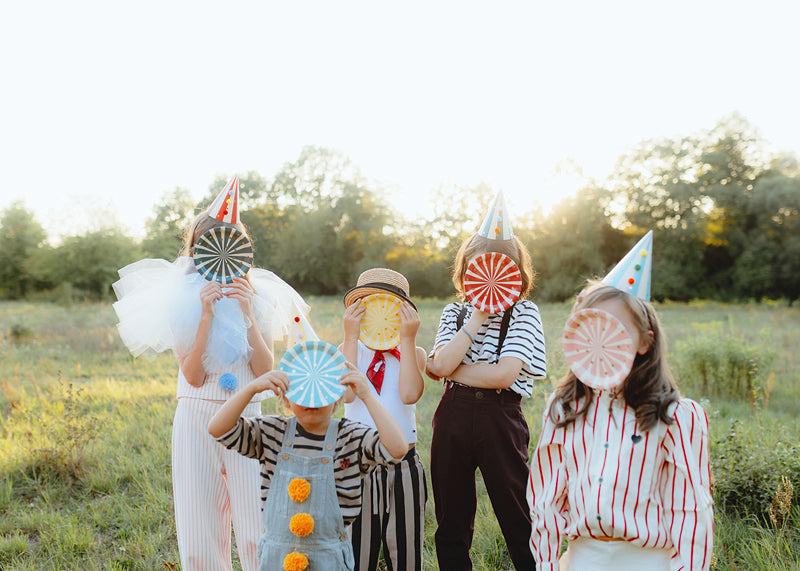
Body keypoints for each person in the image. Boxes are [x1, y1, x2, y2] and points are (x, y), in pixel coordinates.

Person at [113, 176, 307, 571]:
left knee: (257, 528)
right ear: (197, 250)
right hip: (196, 416)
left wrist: (248, 311)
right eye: (210, 243)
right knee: (200, 532)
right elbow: (194, 374)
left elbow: (264, 372)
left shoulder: (260, 296)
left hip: (249, 418)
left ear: (240, 248)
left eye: (229, 240)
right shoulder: (182, 298)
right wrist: (205, 315)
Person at [527, 232, 713, 571]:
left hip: (649, 561)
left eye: (615, 331)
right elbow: (546, 501)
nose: (601, 343)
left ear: (645, 341)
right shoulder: (562, 408)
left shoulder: (674, 416)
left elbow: (689, 511)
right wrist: (547, 565)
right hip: (583, 559)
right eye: (592, 329)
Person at [425, 191, 547, 571]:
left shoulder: (524, 312)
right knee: (451, 516)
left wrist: (449, 369)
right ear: (464, 272)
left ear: (514, 273)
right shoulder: (455, 312)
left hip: (501, 416)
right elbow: (441, 364)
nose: (486, 276)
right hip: (453, 416)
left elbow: (503, 374)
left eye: (497, 268)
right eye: (476, 269)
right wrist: (475, 318)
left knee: (516, 513)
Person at [207, 361, 409, 571]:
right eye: (303, 391)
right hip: (276, 560)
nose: (312, 400)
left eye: (321, 391)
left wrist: (367, 396)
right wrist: (251, 388)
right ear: (285, 397)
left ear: (337, 395)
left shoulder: (350, 437)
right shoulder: (271, 433)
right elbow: (217, 428)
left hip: (329, 560)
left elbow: (398, 448)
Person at [340, 268, 428, 571]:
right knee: (357, 552)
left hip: (403, 465)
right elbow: (348, 396)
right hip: (356, 464)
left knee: (405, 551)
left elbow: (409, 394)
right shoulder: (347, 351)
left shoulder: (413, 352)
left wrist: (406, 338)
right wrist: (351, 336)